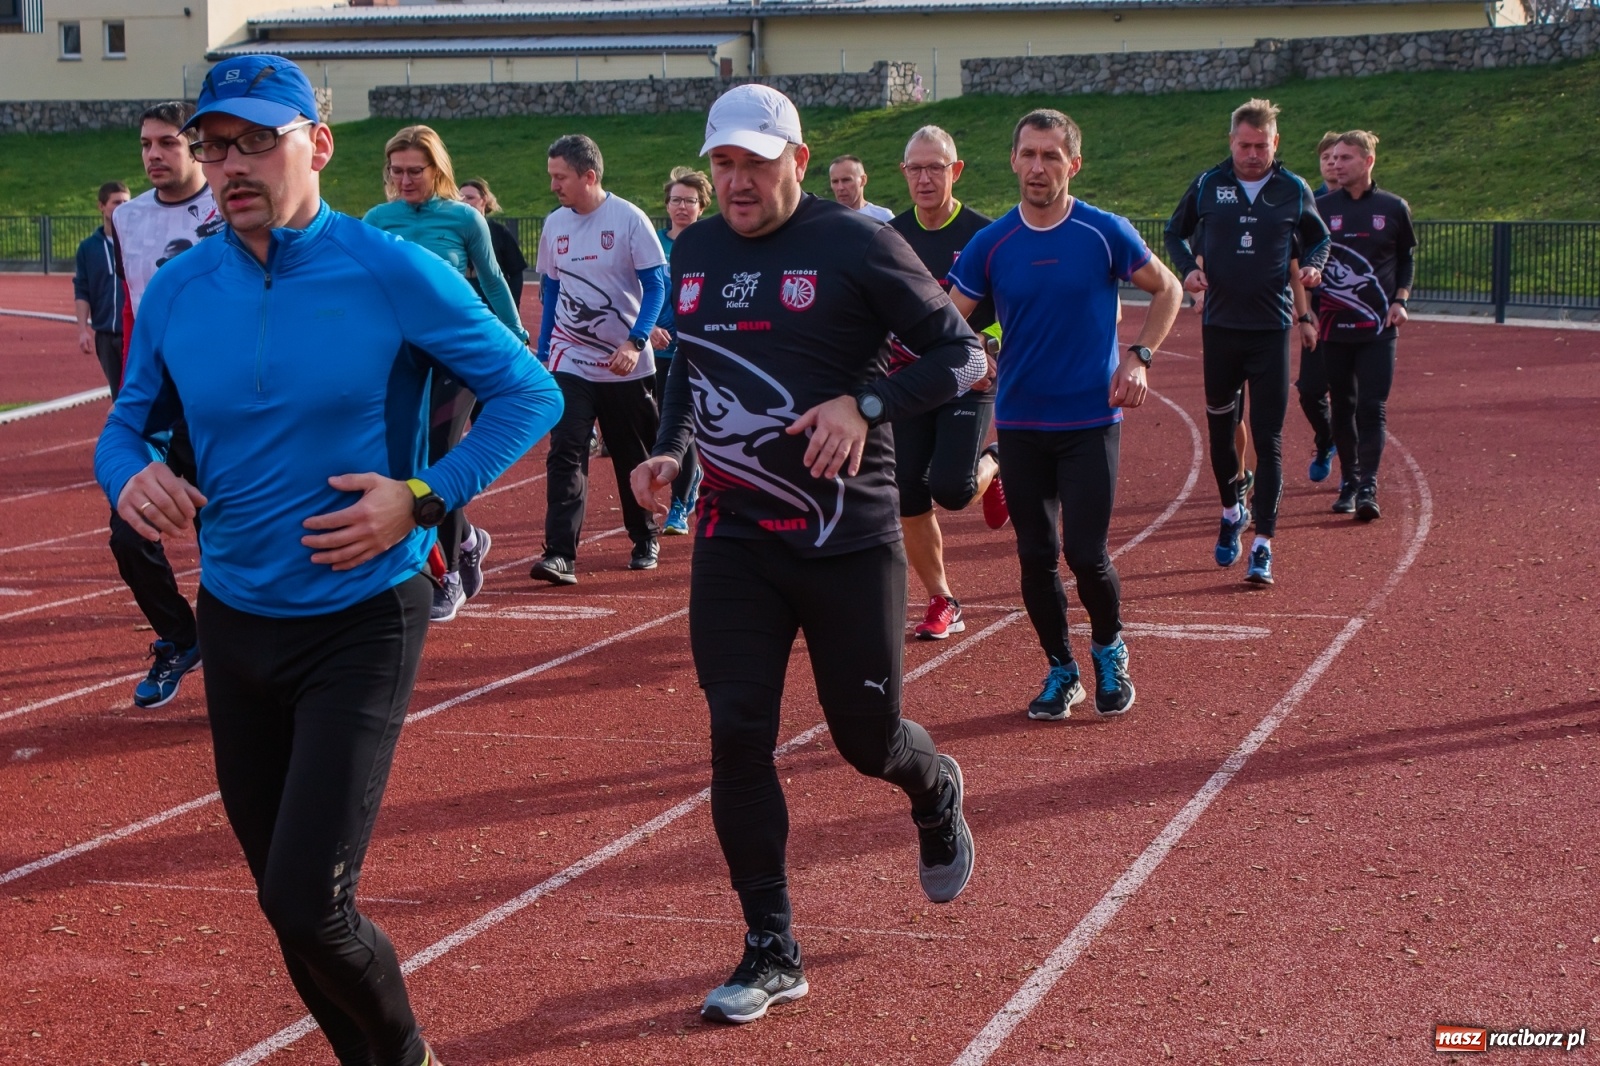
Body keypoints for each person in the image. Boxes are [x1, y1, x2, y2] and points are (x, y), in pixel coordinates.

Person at [95, 54, 562, 1066]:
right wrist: (128, 477)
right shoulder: (179, 288)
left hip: (361, 615)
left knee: (310, 899)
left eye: (257, 140)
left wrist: (426, 497)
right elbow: (123, 430)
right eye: (215, 145)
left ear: (318, 142)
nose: (231, 164)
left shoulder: (388, 266)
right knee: (285, 902)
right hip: (237, 618)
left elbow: (531, 391)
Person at [631, 84, 981, 1025]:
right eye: (723, 163)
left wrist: (863, 407)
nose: (736, 181)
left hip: (846, 541)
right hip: (736, 541)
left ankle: (934, 783)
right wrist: (671, 452)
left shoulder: (857, 243)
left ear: (796, 155)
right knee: (736, 735)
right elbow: (690, 370)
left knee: (866, 740)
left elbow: (963, 357)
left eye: (754, 161)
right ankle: (771, 946)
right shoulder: (695, 249)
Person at [948, 109, 1181, 719]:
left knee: (1085, 553)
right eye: (1028, 154)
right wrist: (977, 351)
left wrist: (1140, 356)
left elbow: (1169, 288)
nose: (1037, 167)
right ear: (1013, 160)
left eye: (1051, 156)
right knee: (1034, 554)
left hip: (1089, 422)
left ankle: (1109, 649)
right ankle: (1062, 669)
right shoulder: (991, 243)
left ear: (1072, 165)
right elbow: (949, 319)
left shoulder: (1104, 232)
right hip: (1021, 423)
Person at [1164, 97, 1330, 586]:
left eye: (1261, 145)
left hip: (1271, 331)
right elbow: (1175, 232)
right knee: (1221, 433)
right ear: (1231, 141)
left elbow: (1318, 238)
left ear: (1275, 142)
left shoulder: (1293, 189)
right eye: (1244, 145)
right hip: (1219, 328)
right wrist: (1189, 269)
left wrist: (1316, 266)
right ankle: (1231, 507)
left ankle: (1263, 543)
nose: (1253, 154)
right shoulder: (1208, 184)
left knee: (1269, 438)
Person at [364, 127, 528, 622]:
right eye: (398, 171)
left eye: (417, 170)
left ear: (437, 171)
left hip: (455, 359)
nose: (407, 179)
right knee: (400, 463)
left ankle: (449, 573)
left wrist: (515, 339)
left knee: (440, 458)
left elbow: (495, 284)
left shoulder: (464, 218)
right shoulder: (377, 219)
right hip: (398, 360)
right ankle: (471, 539)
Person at [106, 100, 225, 709]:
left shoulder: (228, 203)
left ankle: (240, 658)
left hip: (225, 395)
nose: (154, 154)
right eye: (146, 144)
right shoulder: (127, 218)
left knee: (222, 532)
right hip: (156, 393)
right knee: (128, 531)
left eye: (167, 144)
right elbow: (132, 309)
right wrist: (129, 387)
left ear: (196, 147)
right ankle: (181, 636)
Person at [886, 125, 1007, 641]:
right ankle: (943, 598)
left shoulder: (985, 236)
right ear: (904, 174)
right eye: (916, 168)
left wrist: (992, 345)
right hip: (909, 380)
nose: (925, 177)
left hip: (966, 377)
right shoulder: (887, 237)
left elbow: (1011, 308)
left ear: (955, 171)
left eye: (936, 167)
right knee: (907, 492)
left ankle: (1000, 460)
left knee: (952, 491)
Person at [530, 133, 667, 584]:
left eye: (560, 177)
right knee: (566, 451)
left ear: (589, 176)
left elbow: (656, 286)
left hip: (625, 364)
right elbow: (550, 292)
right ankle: (559, 554)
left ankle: (644, 535)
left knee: (632, 453)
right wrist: (545, 350)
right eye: (551, 177)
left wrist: (635, 341)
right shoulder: (554, 225)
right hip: (571, 362)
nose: (553, 186)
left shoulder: (628, 219)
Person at [1316, 129, 1416, 521]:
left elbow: (1406, 258)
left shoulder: (1393, 208)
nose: (1336, 164)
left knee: (1372, 407)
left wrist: (1401, 299)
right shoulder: (1321, 209)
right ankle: (1349, 480)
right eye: (1334, 158)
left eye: (1346, 158)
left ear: (1368, 161)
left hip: (1378, 328)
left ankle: (1368, 486)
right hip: (1333, 326)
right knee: (1342, 405)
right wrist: (1306, 313)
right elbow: (1304, 262)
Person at [653, 165, 711, 535]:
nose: (682, 207)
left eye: (689, 201)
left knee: (688, 429)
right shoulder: (653, 243)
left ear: (702, 205)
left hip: (698, 349)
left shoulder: (713, 241)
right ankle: (689, 485)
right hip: (654, 349)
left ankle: (679, 505)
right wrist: (647, 329)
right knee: (667, 424)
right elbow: (634, 290)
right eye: (676, 200)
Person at [1298, 131, 1345, 483]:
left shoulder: (1374, 205)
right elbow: (1296, 262)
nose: (1332, 163)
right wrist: (1305, 312)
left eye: (1339, 157)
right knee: (1311, 390)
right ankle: (1327, 440)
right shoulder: (1308, 203)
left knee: (1352, 395)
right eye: (1326, 157)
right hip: (1320, 311)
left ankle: (1355, 479)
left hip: (1359, 314)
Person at [73, 180, 130, 395]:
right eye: (116, 202)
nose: (122, 207)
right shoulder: (88, 248)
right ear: (101, 206)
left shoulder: (138, 241)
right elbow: (82, 289)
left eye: (126, 202)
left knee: (140, 392)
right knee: (118, 395)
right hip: (105, 334)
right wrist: (82, 331)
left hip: (134, 332)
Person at [459, 177, 528, 309]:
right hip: (463, 307)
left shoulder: (499, 232)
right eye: (461, 198)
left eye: (470, 197)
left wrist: (512, 305)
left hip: (494, 308)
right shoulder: (452, 233)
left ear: (484, 200)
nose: (464, 202)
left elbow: (515, 272)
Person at [828, 154, 894, 222]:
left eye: (846, 180)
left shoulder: (883, 217)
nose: (840, 187)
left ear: (863, 180)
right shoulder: (825, 219)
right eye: (835, 181)